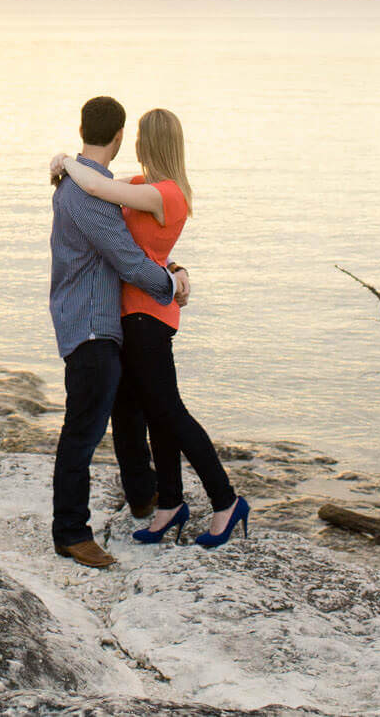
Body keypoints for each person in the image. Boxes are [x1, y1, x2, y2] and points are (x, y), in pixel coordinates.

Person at [52, 107, 248, 549]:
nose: (135, 144)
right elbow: (108, 200)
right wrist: (175, 268)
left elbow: (99, 188)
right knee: (150, 416)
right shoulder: (141, 187)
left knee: (168, 413)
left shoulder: (167, 194)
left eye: (142, 137)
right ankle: (169, 503)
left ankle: (225, 500)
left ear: (147, 143)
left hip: (149, 316)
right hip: (130, 314)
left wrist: (66, 162)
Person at [47, 95, 187, 568]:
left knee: (127, 412)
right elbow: (128, 259)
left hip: (102, 322)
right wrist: (172, 285)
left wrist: (173, 267)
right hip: (89, 326)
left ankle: (143, 495)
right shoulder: (88, 194)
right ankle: (70, 531)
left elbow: (137, 246)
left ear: (84, 128)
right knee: (83, 431)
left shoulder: (89, 185)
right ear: (121, 136)